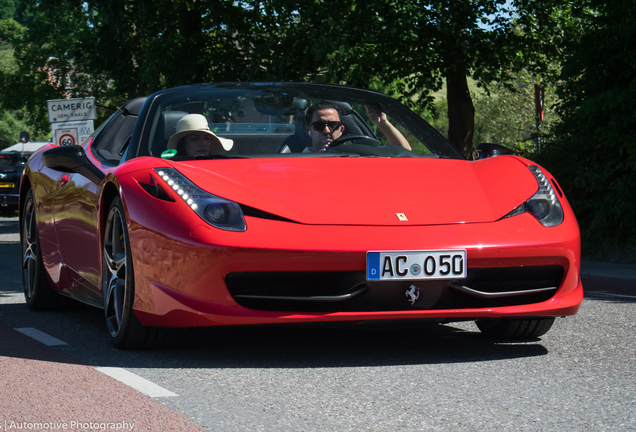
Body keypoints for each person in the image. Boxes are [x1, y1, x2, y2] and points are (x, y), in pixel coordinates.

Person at [303, 102, 412, 153]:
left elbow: (404, 153)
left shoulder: (356, 152)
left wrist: (382, 122)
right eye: (319, 125)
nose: (326, 130)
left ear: (341, 130)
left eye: (332, 125)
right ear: (309, 130)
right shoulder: (294, 160)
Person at [167, 114, 233, 156]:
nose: (203, 144)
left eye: (207, 138)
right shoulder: (172, 172)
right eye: (195, 138)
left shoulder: (219, 166)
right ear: (183, 143)